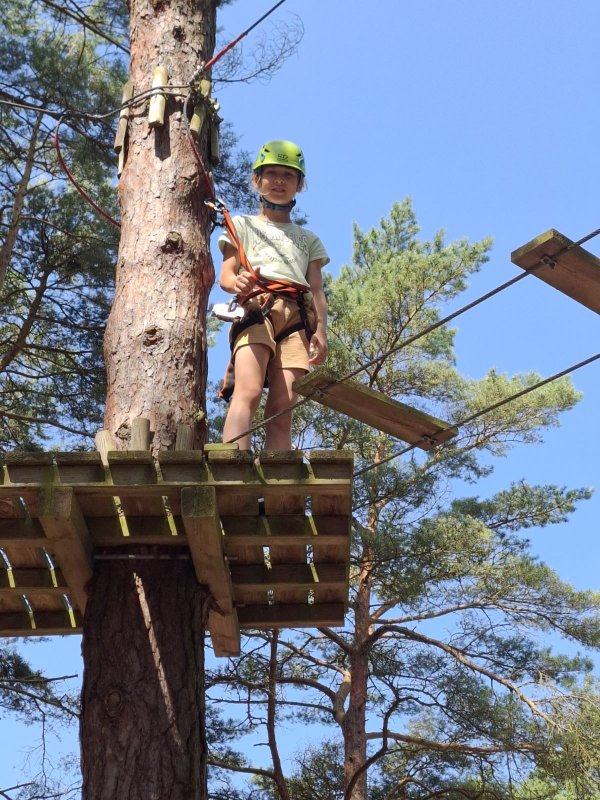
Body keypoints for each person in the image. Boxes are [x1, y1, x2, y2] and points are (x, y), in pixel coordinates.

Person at [217, 139, 329, 451]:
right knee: (249, 391)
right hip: (257, 308)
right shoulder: (242, 225)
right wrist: (237, 285)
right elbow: (227, 275)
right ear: (257, 180)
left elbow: (316, 290)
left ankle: (278, 475)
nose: (279, 181)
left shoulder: (308, 239)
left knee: (283, 408)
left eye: (288, 175)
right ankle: (233, 463)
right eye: (272, 174)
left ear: (299, 185)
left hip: (297, 319)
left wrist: (321, 330)